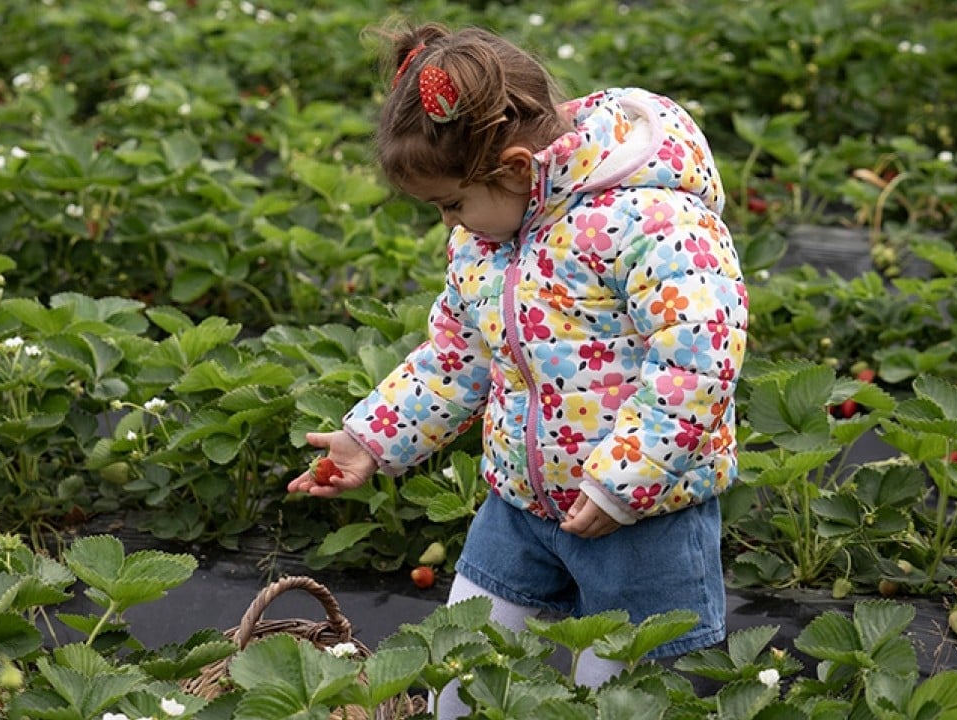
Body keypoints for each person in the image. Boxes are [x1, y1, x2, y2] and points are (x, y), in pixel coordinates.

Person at [287, 21, 747, 718]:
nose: (450, 222)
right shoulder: (483, 242)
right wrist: (371, 439)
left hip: (643, 519)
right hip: (519, 505)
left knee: (623, 696)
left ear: (515, 168)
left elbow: (699, 359)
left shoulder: (652, 220)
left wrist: (627, 479)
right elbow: (455, 356)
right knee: (461, 669)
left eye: (452, 202)